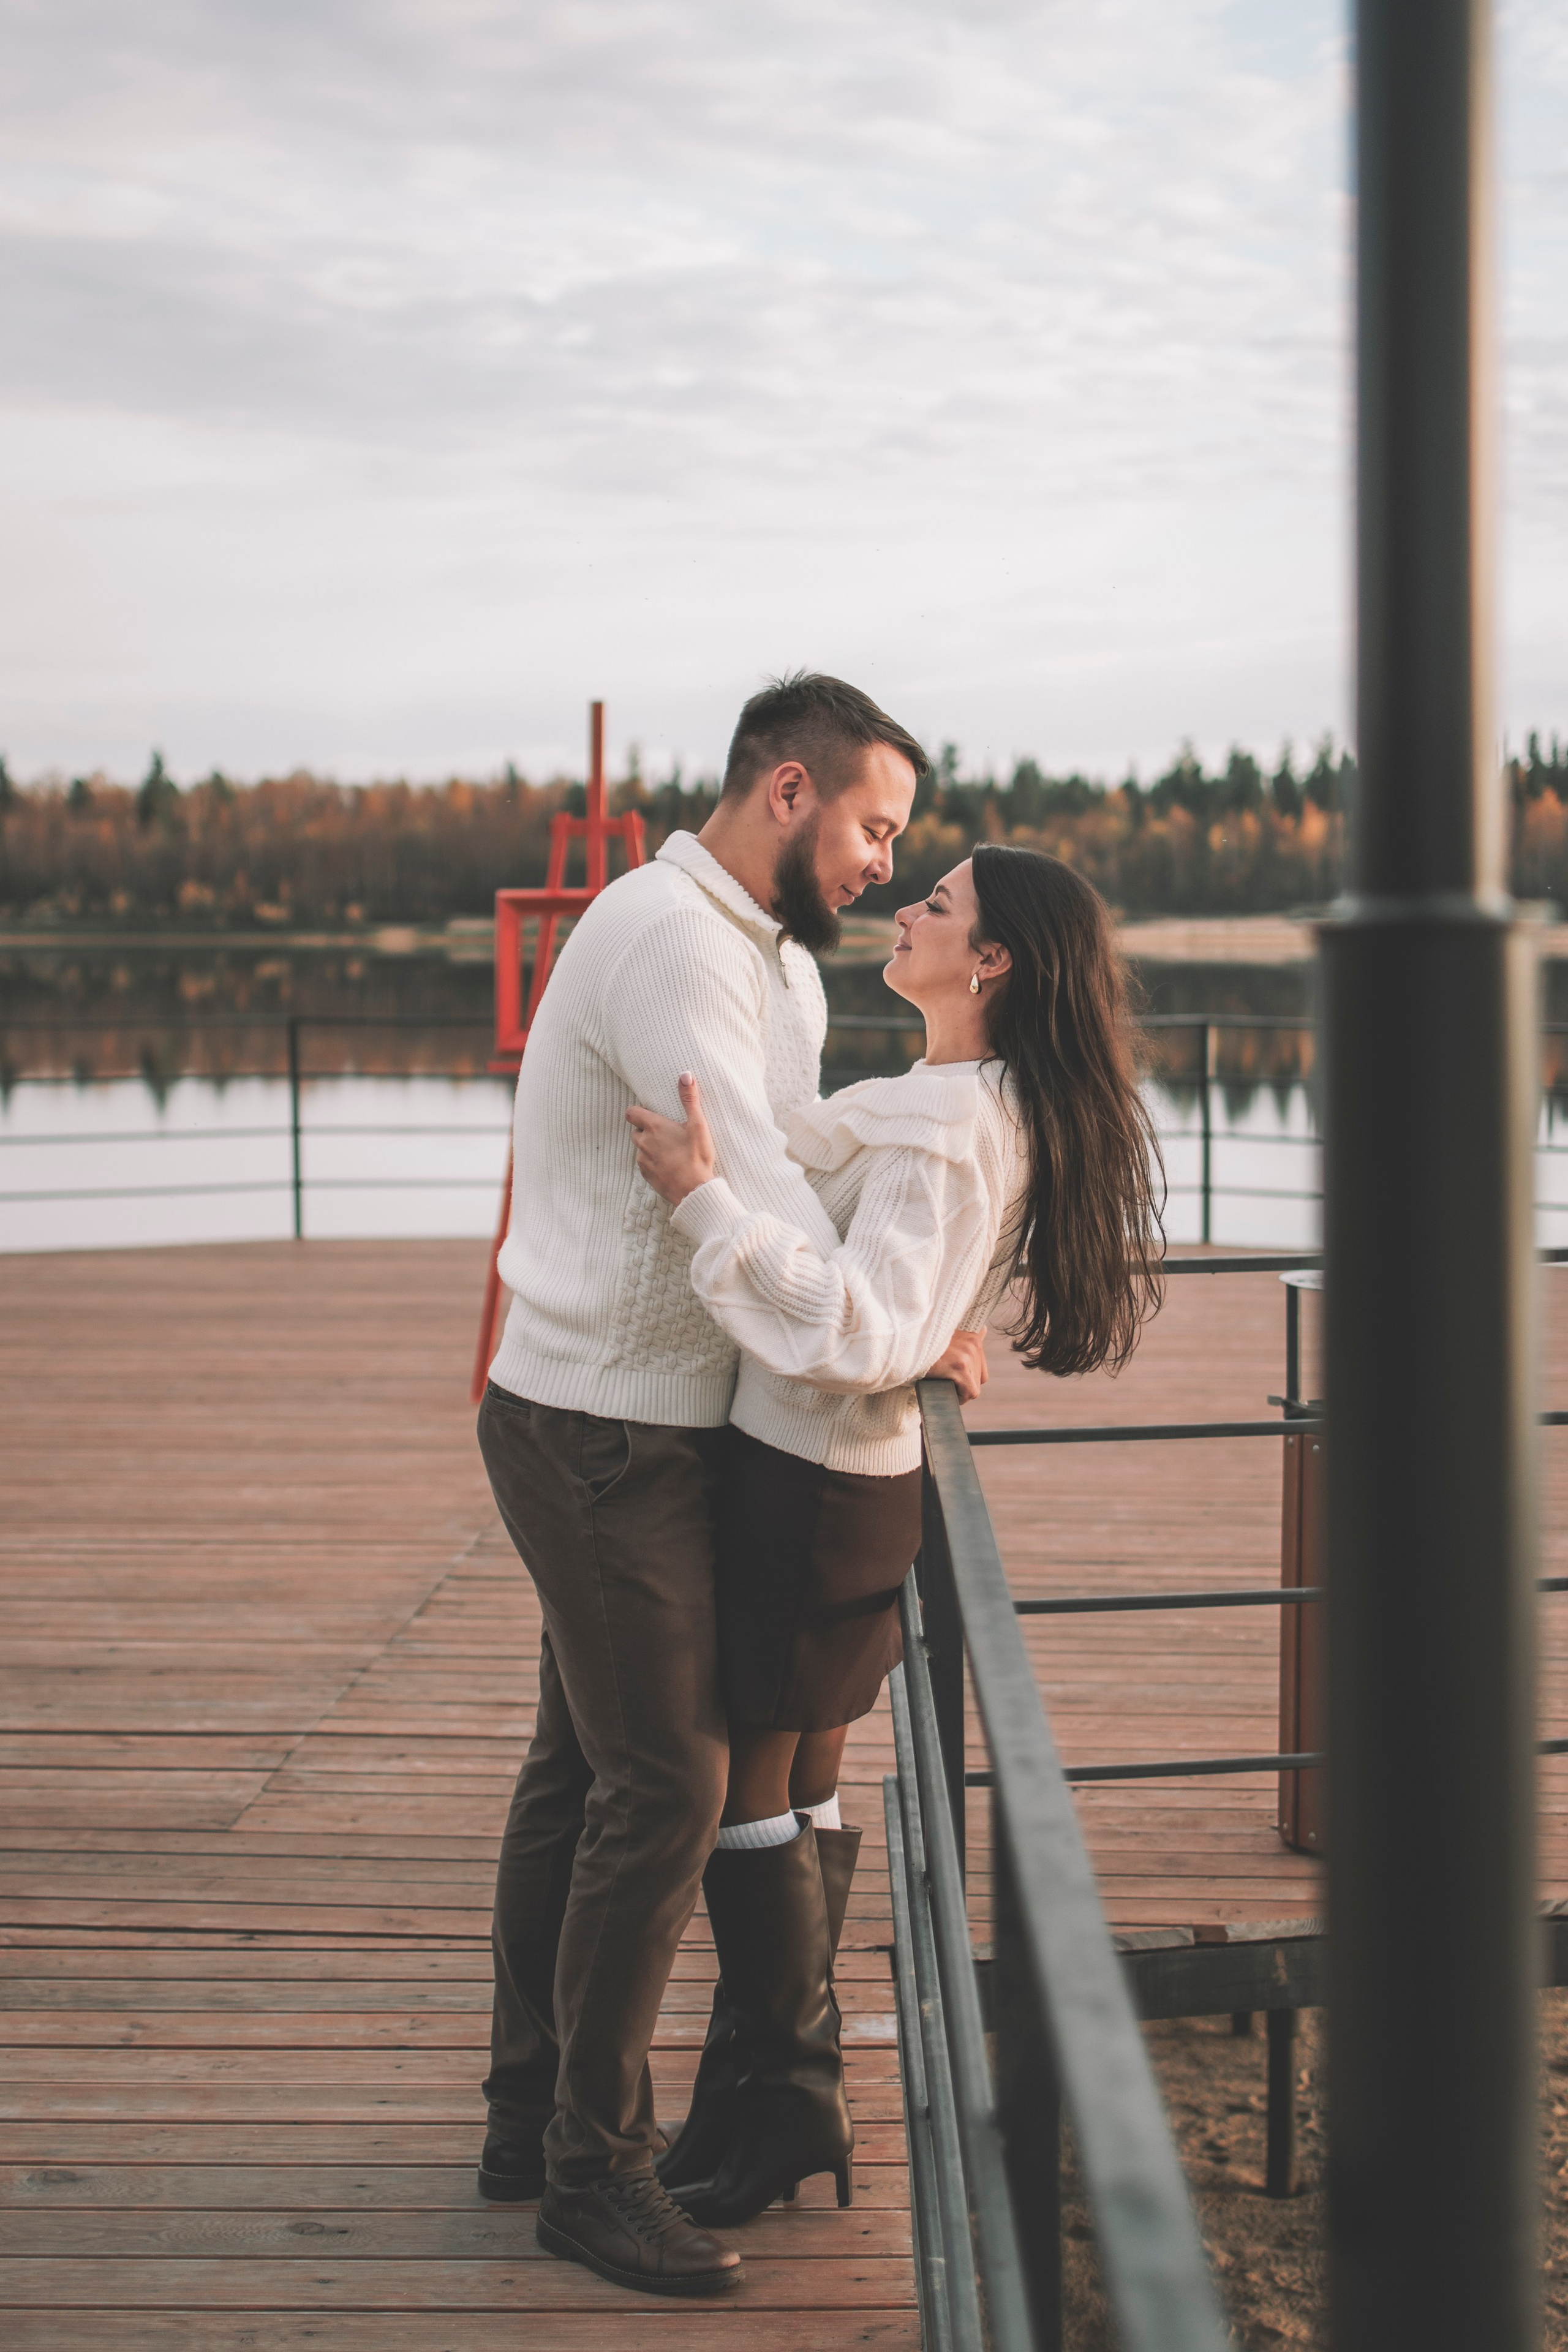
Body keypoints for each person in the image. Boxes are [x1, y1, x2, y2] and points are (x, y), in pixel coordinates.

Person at [474, 671, 985, 2301]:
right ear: (786, 790)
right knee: (673, 1789)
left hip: (653, 1417)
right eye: (872, 825)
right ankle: (593, 2175)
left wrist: (908, 1323)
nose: (882, 865)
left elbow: (798, 1158)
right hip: (601, 1425)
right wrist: (883, 1326)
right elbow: (755, 1183)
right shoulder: (681, 945)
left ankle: (526, 2113)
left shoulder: (762, 959)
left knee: (583, 1772)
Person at [627, 843, 1166, 2226]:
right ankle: (755, 2096)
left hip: (808, 1482)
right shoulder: (955, 1101)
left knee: (748, 1789)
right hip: (854, 1482)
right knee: (798, 1782)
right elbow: (881, 1260)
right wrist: (937, 1332)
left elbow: (854, 1326)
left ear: (987, 961)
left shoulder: (947, 1124)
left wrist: (698, 1203)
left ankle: (792, 2098)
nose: (905, 910)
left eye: (935, 904)